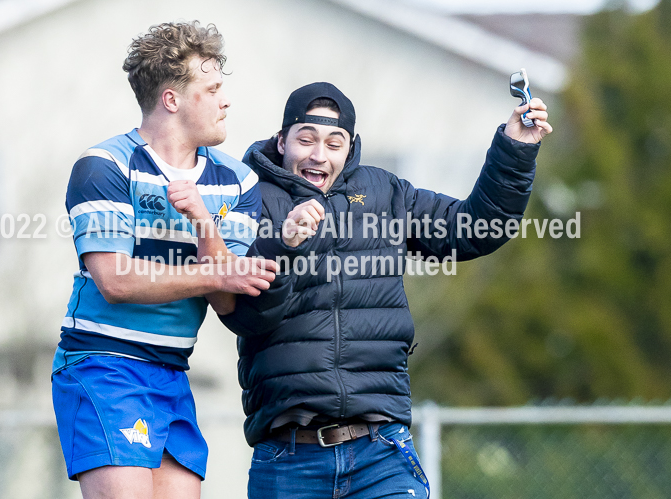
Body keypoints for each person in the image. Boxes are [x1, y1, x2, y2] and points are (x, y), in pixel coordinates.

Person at [219, 81, 552, 498]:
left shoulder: (385, 193)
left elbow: (475, 229)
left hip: (382, 454)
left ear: (351, 148)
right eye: (305, 140)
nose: (318, 155)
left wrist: (514, 150)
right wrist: (282, 246)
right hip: (288, 459)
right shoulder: (247, 200)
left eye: (333, 143)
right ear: (282, 140)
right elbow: (245, 316)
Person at [51, 21, 276, 499]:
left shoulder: (238, 181)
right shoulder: (105, 166)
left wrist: (202, 221)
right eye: (212, 89)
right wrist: (218, 272)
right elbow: (116, 281)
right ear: (172, 99)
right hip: (105, 363)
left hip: (173, 369)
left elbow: (226, 299)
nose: (225, 100)